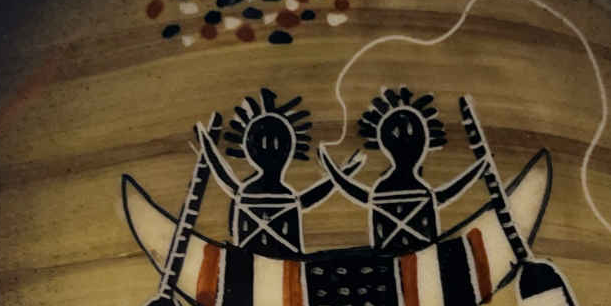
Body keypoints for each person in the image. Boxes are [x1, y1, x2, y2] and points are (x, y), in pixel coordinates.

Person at [198, 88, 363, 257]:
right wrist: (343, 174)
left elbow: (221, 171)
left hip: (276, 267)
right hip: (270, 266)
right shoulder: (262, 194)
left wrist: (343, 174)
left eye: (277, 144)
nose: (269, 148)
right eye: (261, 143)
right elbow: (314, 195)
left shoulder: (249, 193)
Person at [319, 87, 484, 253]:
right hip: (421, 263)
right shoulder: (419, 191)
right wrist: (480, 166)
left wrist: (331, 166)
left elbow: (351, 189)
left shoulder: (383, 191)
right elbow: (452, 191)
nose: (406, 142)